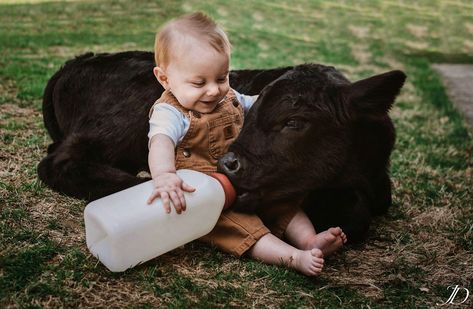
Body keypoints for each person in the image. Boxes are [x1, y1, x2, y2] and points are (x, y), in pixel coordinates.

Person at [147, 12, 347, 276]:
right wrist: (164, 175)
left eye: (221, 78)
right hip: (206, 196)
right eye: (199, 82)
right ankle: (293, 257)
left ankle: (308, 240)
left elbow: (257, 106)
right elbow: (160, 142)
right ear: (164, 79)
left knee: (286, 205)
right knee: (244, 227)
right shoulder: (170, 113)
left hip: (242, 180)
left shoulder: (227, 98)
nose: (213, 90)